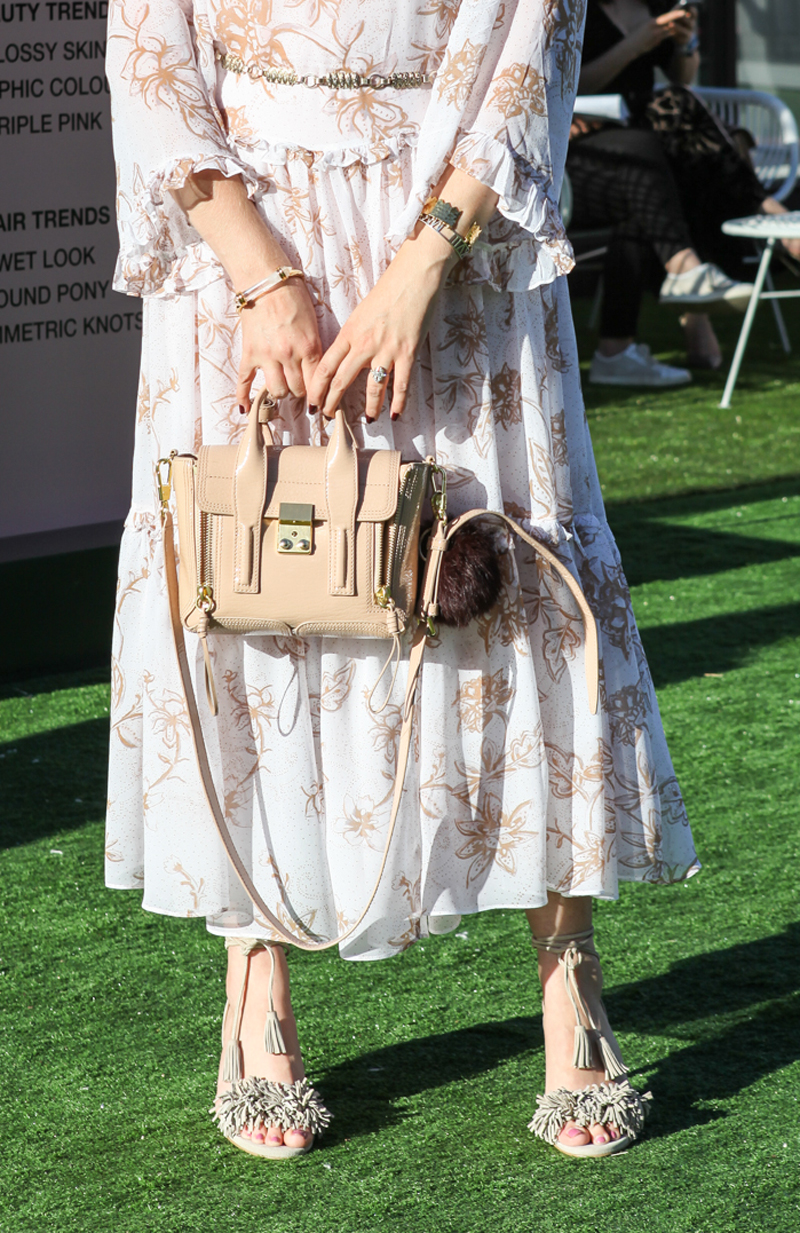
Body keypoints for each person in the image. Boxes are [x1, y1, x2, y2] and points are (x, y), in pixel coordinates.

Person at [105, 0, 699, 1160]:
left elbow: (533, 55)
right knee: (259, 593)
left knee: (505, 589)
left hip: (454, 255)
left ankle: (566, 970)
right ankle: (255, 974)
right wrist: (262, 281)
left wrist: (423, 265)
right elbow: (150, 57)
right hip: (246, 257)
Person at [568, 0, 794, 386]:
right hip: (587, 149)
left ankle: (645, 328)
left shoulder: (652, 6)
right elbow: (571, 83)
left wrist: (686, 46)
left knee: (670, 132)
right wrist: (637, 43)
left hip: (643, 151)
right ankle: (766, 224)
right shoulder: (572, 10)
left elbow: (682, 77)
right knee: (659, 157)